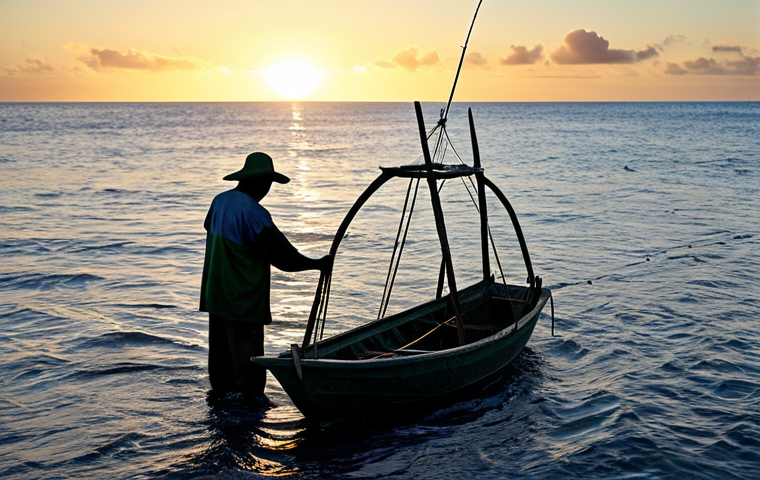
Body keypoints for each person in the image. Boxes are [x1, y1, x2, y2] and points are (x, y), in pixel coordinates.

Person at [200, 152, 331, 396]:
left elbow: (209, 226)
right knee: (249, 370)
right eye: (269, 184)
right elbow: (284, 258)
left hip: (215, 293)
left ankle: (221, 413)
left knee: (221, 364)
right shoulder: (254, 212)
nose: (268, 189)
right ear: (261, 182)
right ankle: (249, 413)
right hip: (242, 299)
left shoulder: (219, 201)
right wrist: (317, 264)